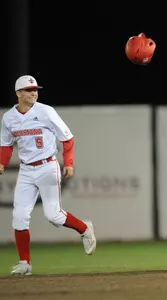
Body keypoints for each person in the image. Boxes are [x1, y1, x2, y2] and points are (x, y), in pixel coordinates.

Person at [0, 75, 96, 275]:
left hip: (47, 166)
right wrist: (2, 162)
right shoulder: (9, 117)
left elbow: (67, 138)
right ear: (18, 94)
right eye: (29, 90)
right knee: (19, 216)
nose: (34, 92)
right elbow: (6, 144)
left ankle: (85, 229)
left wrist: (68, 163)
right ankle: (25, 263)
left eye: (35, 89)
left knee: (53, 215)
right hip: (26, 169)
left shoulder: (46, 112)